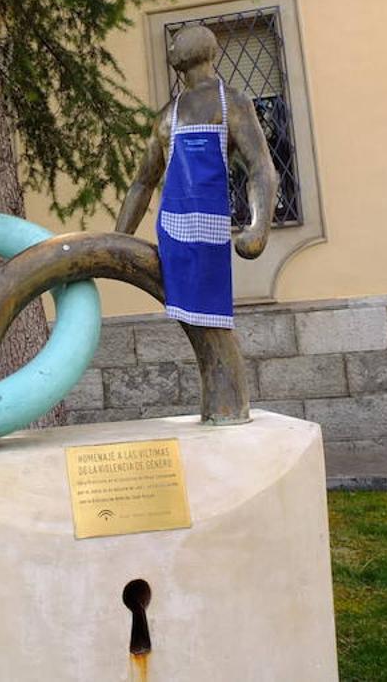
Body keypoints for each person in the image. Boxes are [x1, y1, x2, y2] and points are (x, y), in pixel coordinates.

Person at [115, 25, 278, 423]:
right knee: (192, 319)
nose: (172, 45)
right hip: (173, 228)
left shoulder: (233, 104)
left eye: (178, 40)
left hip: (210, 231)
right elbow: (142, 182)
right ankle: (222, 405)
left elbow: (260, 168)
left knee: (212, 324)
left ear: (204, 50)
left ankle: (226, 407)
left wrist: (259, 225)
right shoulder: (166, 117)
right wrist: (118, 239)